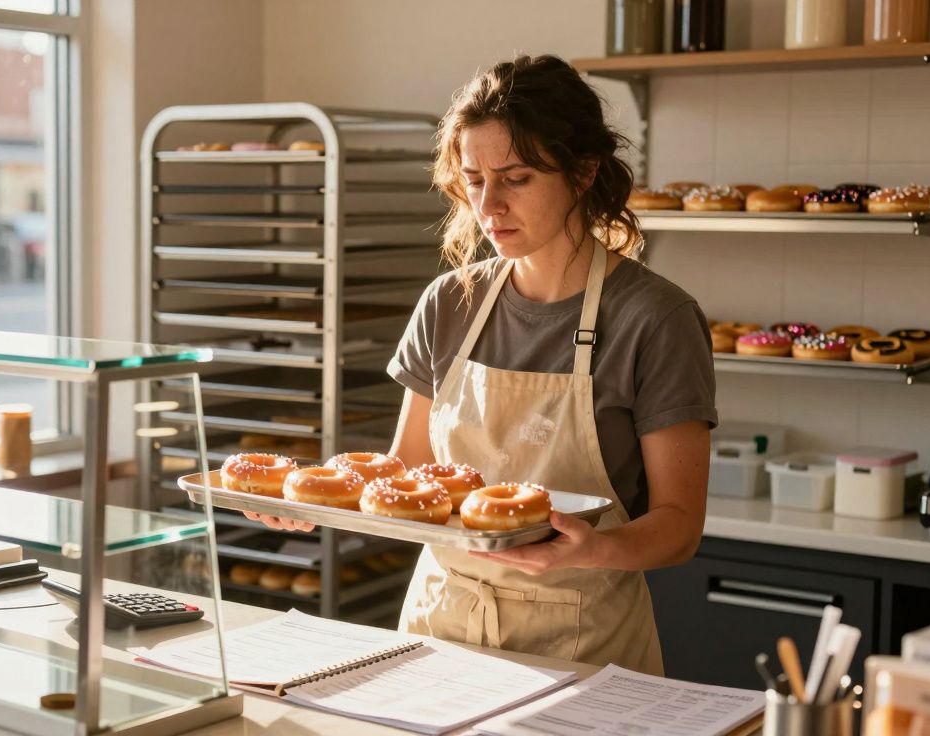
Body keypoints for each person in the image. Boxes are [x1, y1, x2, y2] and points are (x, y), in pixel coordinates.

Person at [252, 55, 715, 675]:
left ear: (582, 173)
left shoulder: (655, 319)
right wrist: (310, 505)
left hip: (581, 644)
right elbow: (408, 474)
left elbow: (679, 527)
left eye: (516, 178)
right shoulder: (449, 304)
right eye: (473, 179)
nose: (488, 204)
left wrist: (594, 548)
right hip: (440, 629)